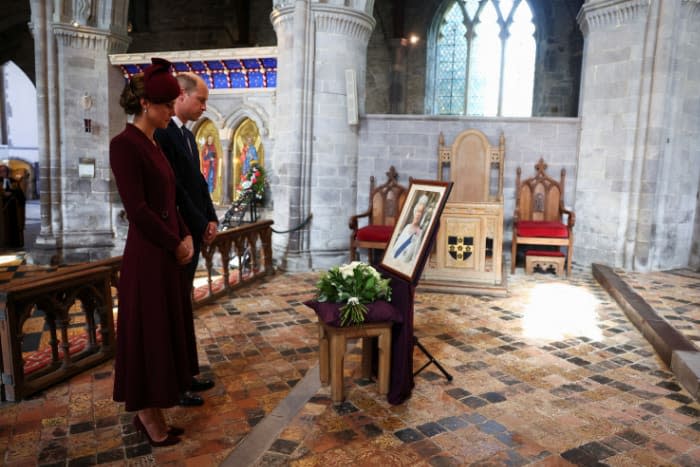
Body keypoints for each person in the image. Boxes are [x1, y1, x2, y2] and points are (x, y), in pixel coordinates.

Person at [110, 57, 195, 447]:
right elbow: (138, 210)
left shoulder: (153, 142)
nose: (169, 112)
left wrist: (185, 235)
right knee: (147, 335)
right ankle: (146, 416)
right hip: (147, 255)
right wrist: (174, 241)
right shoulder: (124, 145)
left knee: (161, 333)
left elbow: (169, 198)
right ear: (145, 104)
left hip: (165, 251)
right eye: (164, 106)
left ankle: (155, 413)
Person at [154, 72, 217, 407]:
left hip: (194, 227)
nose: (204, 107)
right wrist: (195, 223)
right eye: (201, 100)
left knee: (183, 307)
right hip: (179, 232)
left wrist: (211, 218)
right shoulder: (164, 135)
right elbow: (175, 188)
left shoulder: (189, 137)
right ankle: (176, 382)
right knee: (174, 310)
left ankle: (187, 373)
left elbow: (199, 183)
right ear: (181, 96)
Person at [391, 194, 430, 263]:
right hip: (394, 259)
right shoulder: (407, 227)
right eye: (418, 211)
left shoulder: (420, 233)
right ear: (414, 212)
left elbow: (415, 257)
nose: (418, 214)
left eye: (421, 212)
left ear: (423, 215)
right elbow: (396, 245)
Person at [0, 164, 25, 248]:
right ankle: (4, 244)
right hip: (2, 209)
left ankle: (15, 244)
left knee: (14, 225)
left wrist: (14, 193)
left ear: (8, 172)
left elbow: (21, 196)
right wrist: (3, 194)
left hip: (13, 208)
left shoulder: (13, 181)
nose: (3, 173)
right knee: (4, 227)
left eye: (5, 171)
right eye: (1, 171)